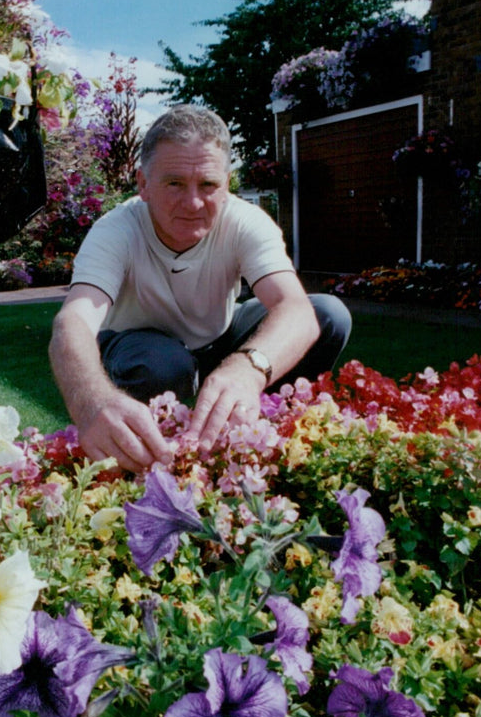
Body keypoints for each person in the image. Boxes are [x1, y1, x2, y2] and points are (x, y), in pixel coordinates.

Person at [49, 105, 351, 473]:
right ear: (143, 184)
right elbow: (73, 323)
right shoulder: (116, 230)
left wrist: (249, 368)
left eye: (207, 185)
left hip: (219, 336)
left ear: (226, 186)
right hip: (137, 345)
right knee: (163, 364)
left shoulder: (245, 221)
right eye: (174, 183)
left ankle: (256, 434)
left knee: (328, 315)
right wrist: (92, 403)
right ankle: (145, 456)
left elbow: (296, 309)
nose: (193, 203)